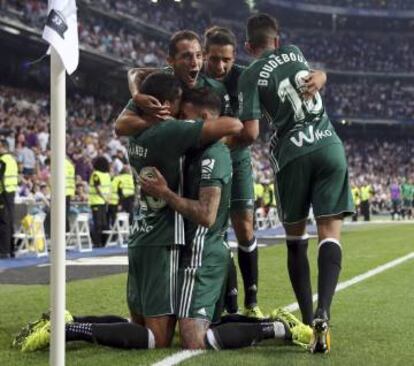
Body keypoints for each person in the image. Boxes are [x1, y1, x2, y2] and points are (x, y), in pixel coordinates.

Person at [237, 13, 354, 353]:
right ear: (278, 39)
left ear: (248, 46)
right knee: (329, 234)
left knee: (296, 240)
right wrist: (323, 75)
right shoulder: (296, 51)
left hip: (292, 155)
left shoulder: (250, 74)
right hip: (329, 146)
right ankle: (325, 311)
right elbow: (315, 77)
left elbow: (252, 132)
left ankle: (308, 319)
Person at [117, 72, 243, 348]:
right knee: (158, 339)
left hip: (142, 234)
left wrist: (136, 94)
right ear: (164, 106)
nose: (181, 117)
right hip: (164, 240)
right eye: (179, 110)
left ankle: (73, 324)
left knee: (141, 327)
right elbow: (234, 125)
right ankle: (75, 327)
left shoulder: (132, 128)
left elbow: (122, 114)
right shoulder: (170, 131)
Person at [0, 138, 18, 258]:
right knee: (10, 221)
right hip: (11, 192)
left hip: (3, 193)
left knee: (3, 222)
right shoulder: (12, 159)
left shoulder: (2, 160)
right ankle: (11, 249)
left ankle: (3, 250)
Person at [88, 156, 111, 247]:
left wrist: (105, 198)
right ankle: (102, 242)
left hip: (97, 201)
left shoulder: (96, 174)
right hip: (103, 202)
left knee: (98, 223)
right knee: (102, 223)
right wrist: (107, 198)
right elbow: (108, 188)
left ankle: (98, 242)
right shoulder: (107, 175)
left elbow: (98, 188)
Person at [65, 156, 75, 233]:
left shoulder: (60, 163)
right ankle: (67, 231)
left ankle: (64, 231)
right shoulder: (70, 165)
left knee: (61, 214)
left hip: (62, 191)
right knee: (66, 213)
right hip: (69, 191)